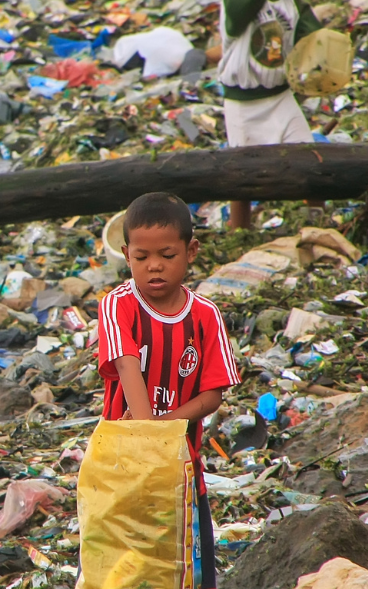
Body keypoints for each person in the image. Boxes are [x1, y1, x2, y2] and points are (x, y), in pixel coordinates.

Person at [94, 192, 241, 588]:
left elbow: (212, 396)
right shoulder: (117, 305)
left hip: (183, 470)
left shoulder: (206, 316)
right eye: (141, 258)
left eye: (167, 255)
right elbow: (126, 365)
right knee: (115, 572)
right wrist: (145, 437)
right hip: (122, 468)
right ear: (126, 255)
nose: (154, 266)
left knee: (188, 574)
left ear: (191, 251)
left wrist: (161, 428)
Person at [218, 0, 323, 229]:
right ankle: (240, 233)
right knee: (243, 177)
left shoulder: (291, 0)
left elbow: (312, 38)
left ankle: (319, 224)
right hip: (243, 102)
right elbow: (240, 13)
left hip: (280, 98)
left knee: (310, 162)